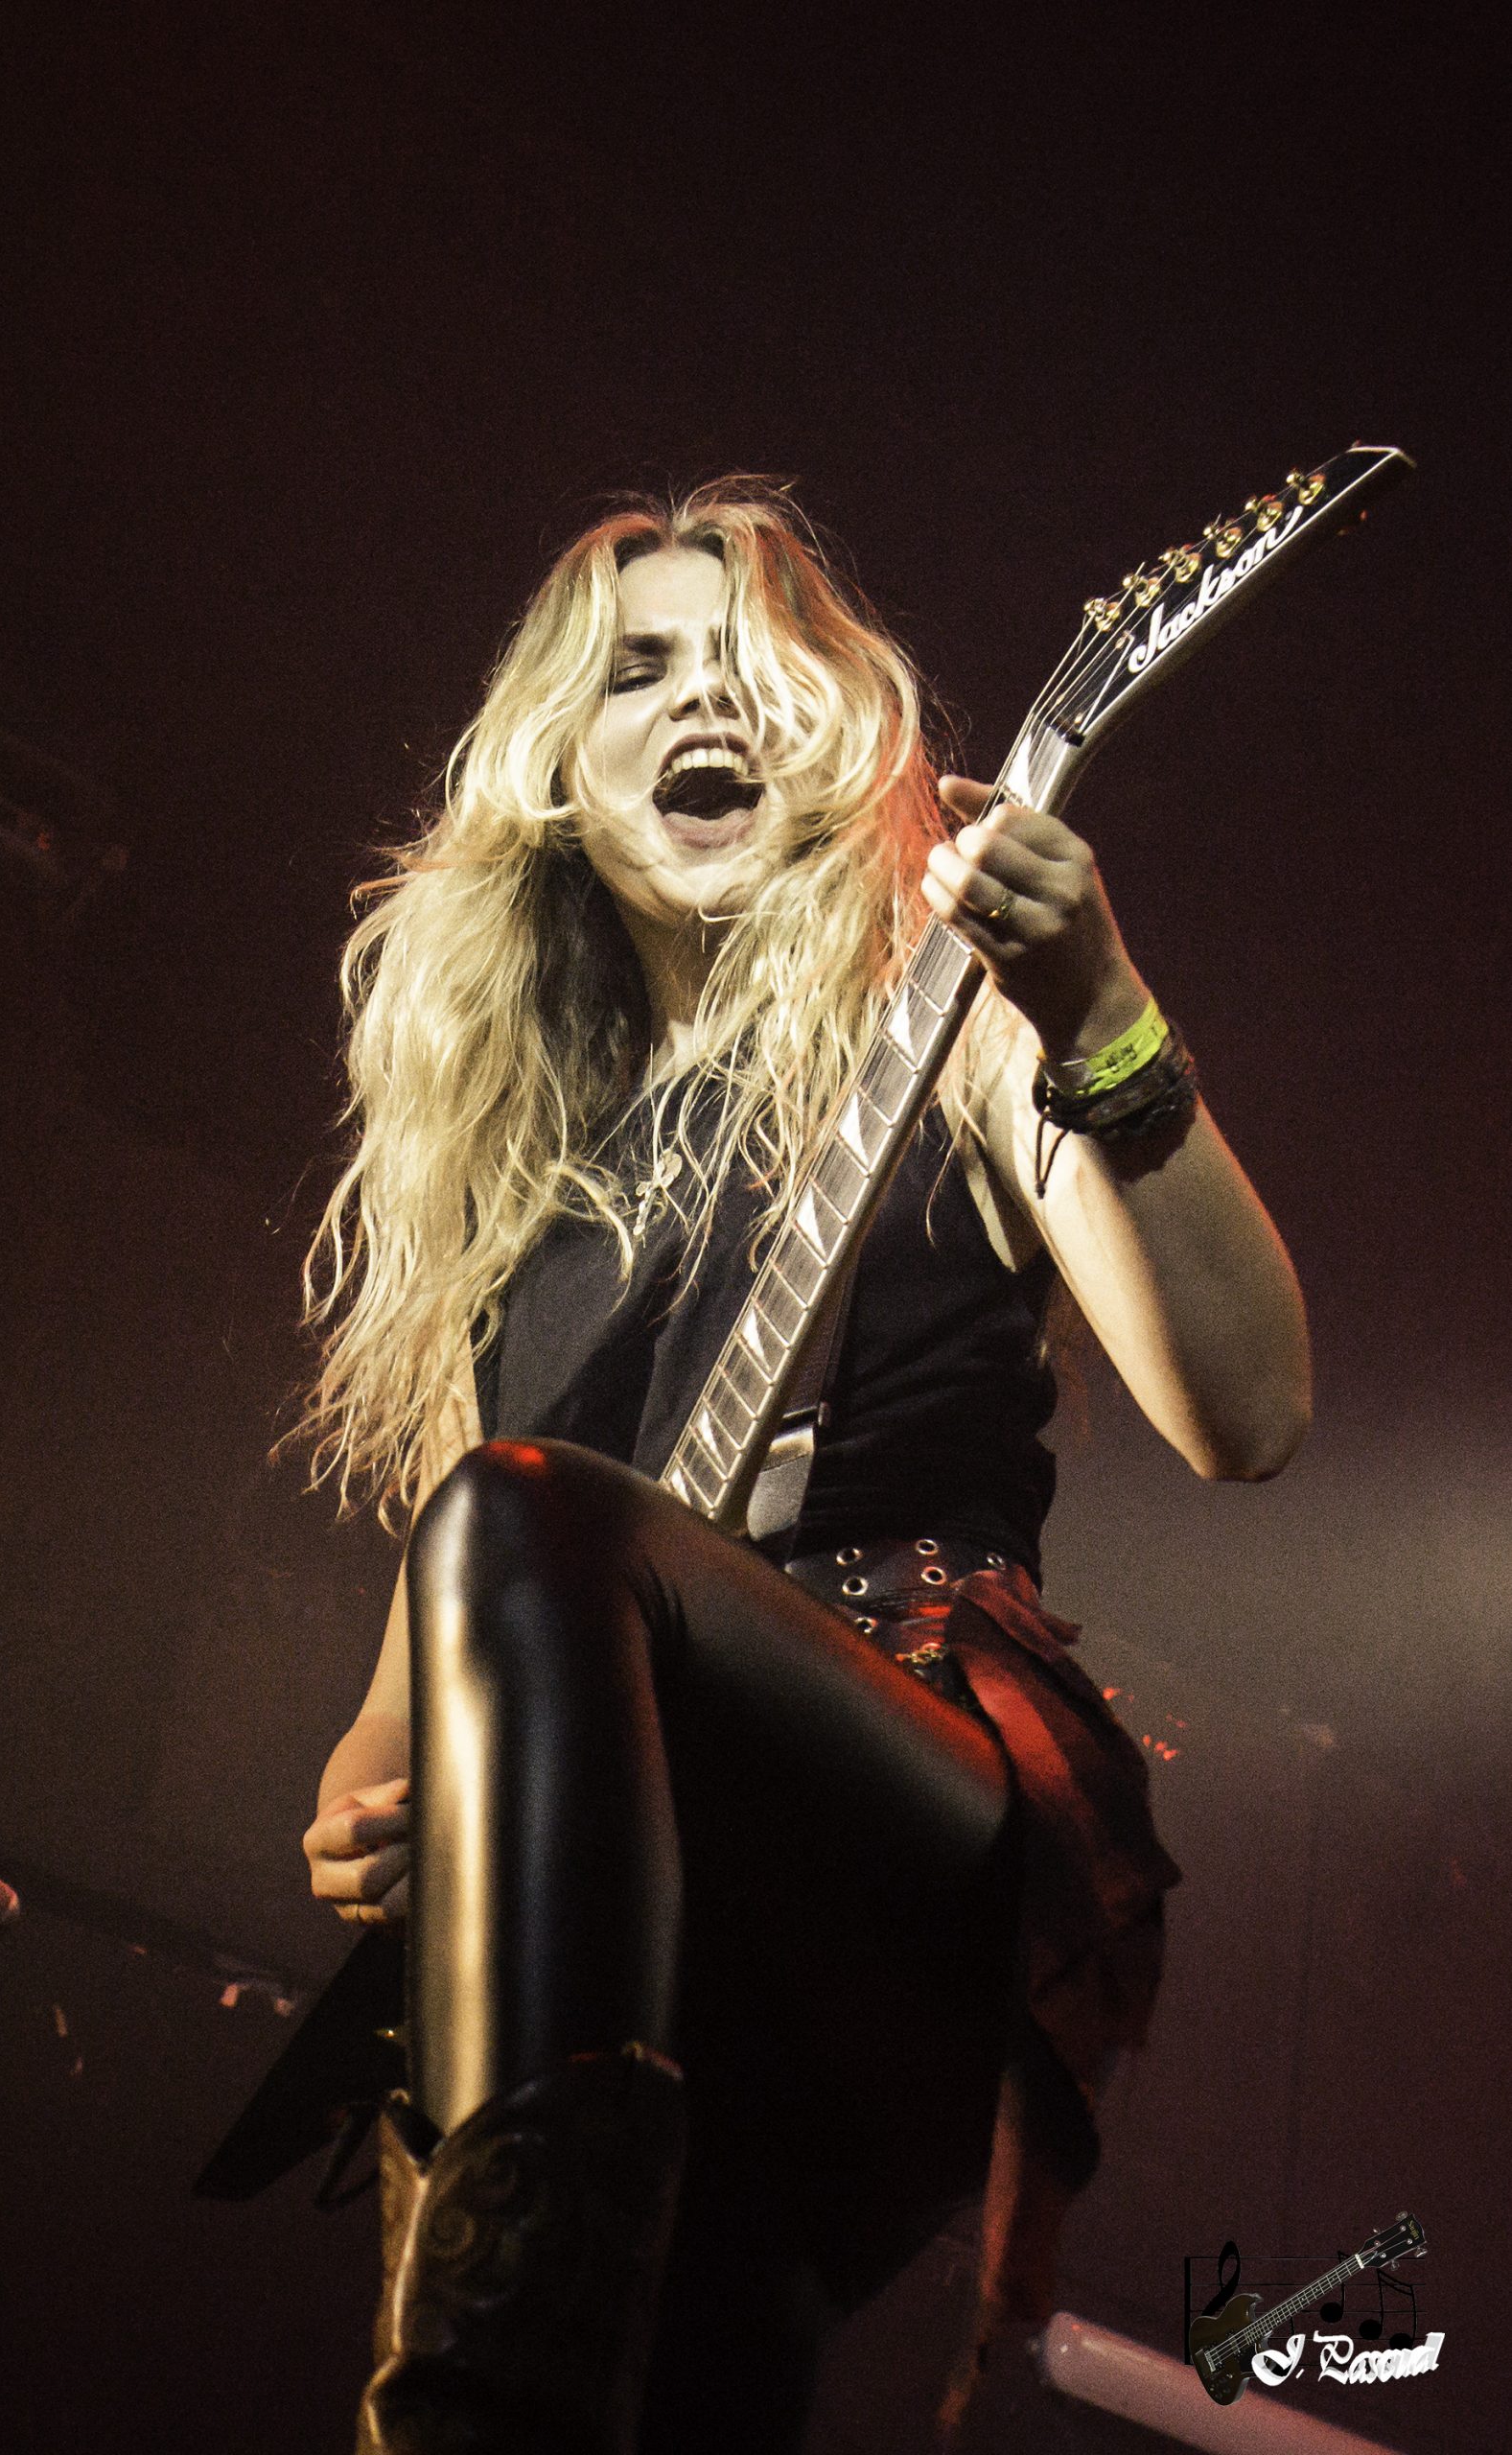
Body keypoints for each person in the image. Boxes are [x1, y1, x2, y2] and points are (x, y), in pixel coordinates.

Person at [298, 483, 1310, 2455]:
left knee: (530, 1507)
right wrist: (370, 1799)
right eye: (640, 668)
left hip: (909, 1784)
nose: (708, 700)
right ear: (557, 771)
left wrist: (1097, 1010)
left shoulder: (953, 1029)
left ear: (839, 736)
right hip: (657, 1930)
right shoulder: (526, 1209)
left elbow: (1250, 1409)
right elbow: (427, 1663)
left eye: (754, 665)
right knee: (679, 2377)